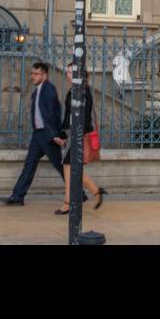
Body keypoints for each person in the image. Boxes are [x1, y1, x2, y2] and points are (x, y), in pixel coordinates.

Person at [0, 61, 64, 205]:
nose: (33, 77)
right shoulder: (37, 91)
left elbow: (53, 114)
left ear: (44, 75)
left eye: (36, 74)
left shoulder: (49, 89)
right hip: (38, 135)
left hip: (48, 135)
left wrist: (55, 135)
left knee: (61, 166)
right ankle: (17, 196)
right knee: (29, 165)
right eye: (32, 74)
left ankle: (79, 193)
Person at [55, 64, 105, 215]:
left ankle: (69, 202)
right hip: (72, 134)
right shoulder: (75, 91)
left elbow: (82, 117)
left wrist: (72, 135)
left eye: (71, 72)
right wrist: (63, 134)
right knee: (72, 168)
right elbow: (69, 115)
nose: (67, 75)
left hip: (77, 135)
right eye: (67, 72)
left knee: (70, 168)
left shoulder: (83, 92)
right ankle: (95, 192)